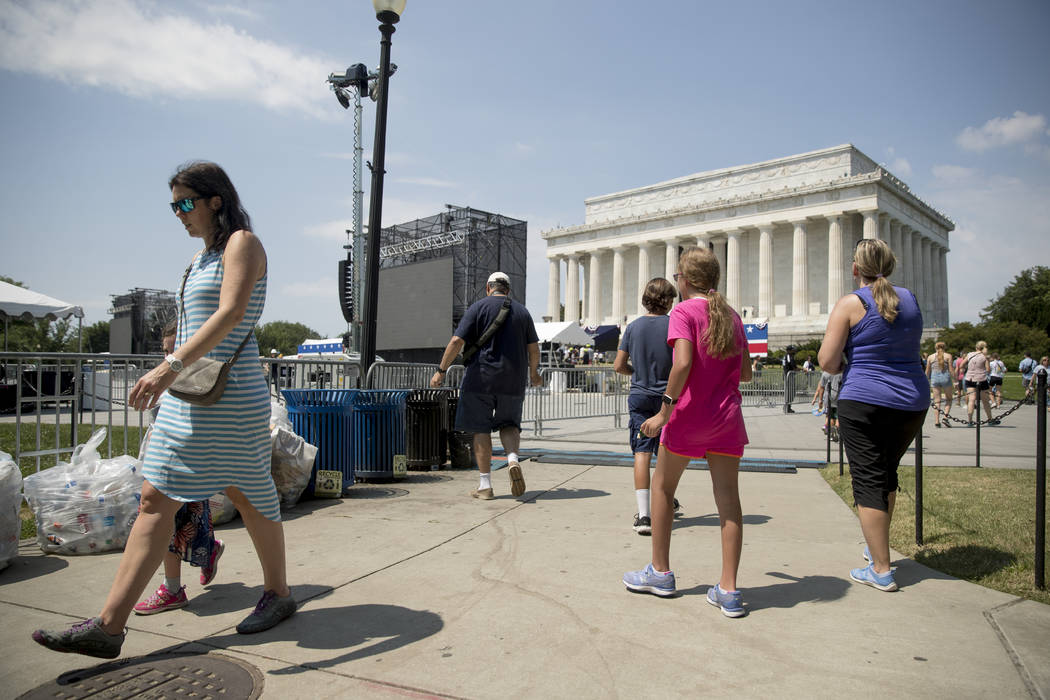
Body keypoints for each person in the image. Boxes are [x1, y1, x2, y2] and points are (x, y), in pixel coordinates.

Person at [32, 161, 294, 659]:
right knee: (156, 496)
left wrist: (168, 366)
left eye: (184, 203)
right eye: (172, 206)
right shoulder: (200, 259)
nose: (177, 214)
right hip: (191, 393)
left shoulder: (242, 243)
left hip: (230, 396)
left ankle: (279, 593)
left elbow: (232, 313)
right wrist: (173, 368)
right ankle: (108, 626)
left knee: (251, 493)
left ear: (215, 199)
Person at [622, 247, 752, 618]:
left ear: (686, 279)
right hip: (727, 418)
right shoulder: (731, 316)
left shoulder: (683, 311)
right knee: (728, 502)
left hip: (689, 415)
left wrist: (664, 411)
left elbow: (681, 363)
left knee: (663, 488)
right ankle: (729, 589)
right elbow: (745, 374)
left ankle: (660, 572)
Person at [818, 238, 928, 593]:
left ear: (855, 269)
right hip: (912, 401)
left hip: (865, 399)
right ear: (891, 265)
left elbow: (827, 362)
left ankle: (881, 569)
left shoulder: (851, 303)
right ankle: (876, 548)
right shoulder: (909, 299)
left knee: (867, 480)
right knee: (885, 475)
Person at [133, 320, 225, 615]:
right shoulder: (164, 377)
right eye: (166, 352)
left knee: (177, 521)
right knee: (178, 521)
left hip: (189, 456)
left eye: (176, 351)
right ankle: (196, 562)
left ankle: (173, 588)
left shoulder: (201, 375)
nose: (170, 359)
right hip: (168, 456)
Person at [430, 271, 542, 500]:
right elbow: (533, 349)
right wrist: (534, 374)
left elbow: (456, 341)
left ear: (488, 287)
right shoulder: (522, 312)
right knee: (509, 425)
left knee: (481, 430)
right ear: (508, 290)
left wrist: (441, 371)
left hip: (480, 379)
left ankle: (485, 486)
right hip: (513, 380)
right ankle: (512, 460)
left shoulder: (478, 308)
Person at [613, 278, 679, 535]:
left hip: (640, 396)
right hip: (668, 399)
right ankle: (665, 499)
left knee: (641, 452)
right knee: (667, 451)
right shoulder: (675, 324)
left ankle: (643, 515)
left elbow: (618, 365)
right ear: (668, 300)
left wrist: (637, 374)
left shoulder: (633, 327)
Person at [963, 341, 998, 426]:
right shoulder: (984, 356)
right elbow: (988, 369)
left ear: (976, 347)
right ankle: (990, 419)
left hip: (970, 378)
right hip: (981, 379)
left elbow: (961, 365)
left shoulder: (970, 354)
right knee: (985, 401)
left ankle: (970, 421)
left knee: (971, 399)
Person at [925, 342, 955, 428]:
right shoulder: (948, 356)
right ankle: (945, 417)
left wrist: (925, 380)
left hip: (934, 378)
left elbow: (927, 371)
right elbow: (951, 369)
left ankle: (937, 421)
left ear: (935, 348)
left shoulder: (930, 357)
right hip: (945, 377)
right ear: (944, 347)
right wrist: (955, 381)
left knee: (937, 400)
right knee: (949, 399)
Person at [782, 345, 797, 413]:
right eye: (793, 350)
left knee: (789, 392)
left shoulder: (785, 356)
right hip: (789, 377)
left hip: (786, 376)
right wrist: (803, 369)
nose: (794, 351)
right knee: (791, 393)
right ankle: (787, 407)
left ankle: (787, 406)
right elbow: (794, 367)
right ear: (789, 350)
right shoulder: (789, 357)